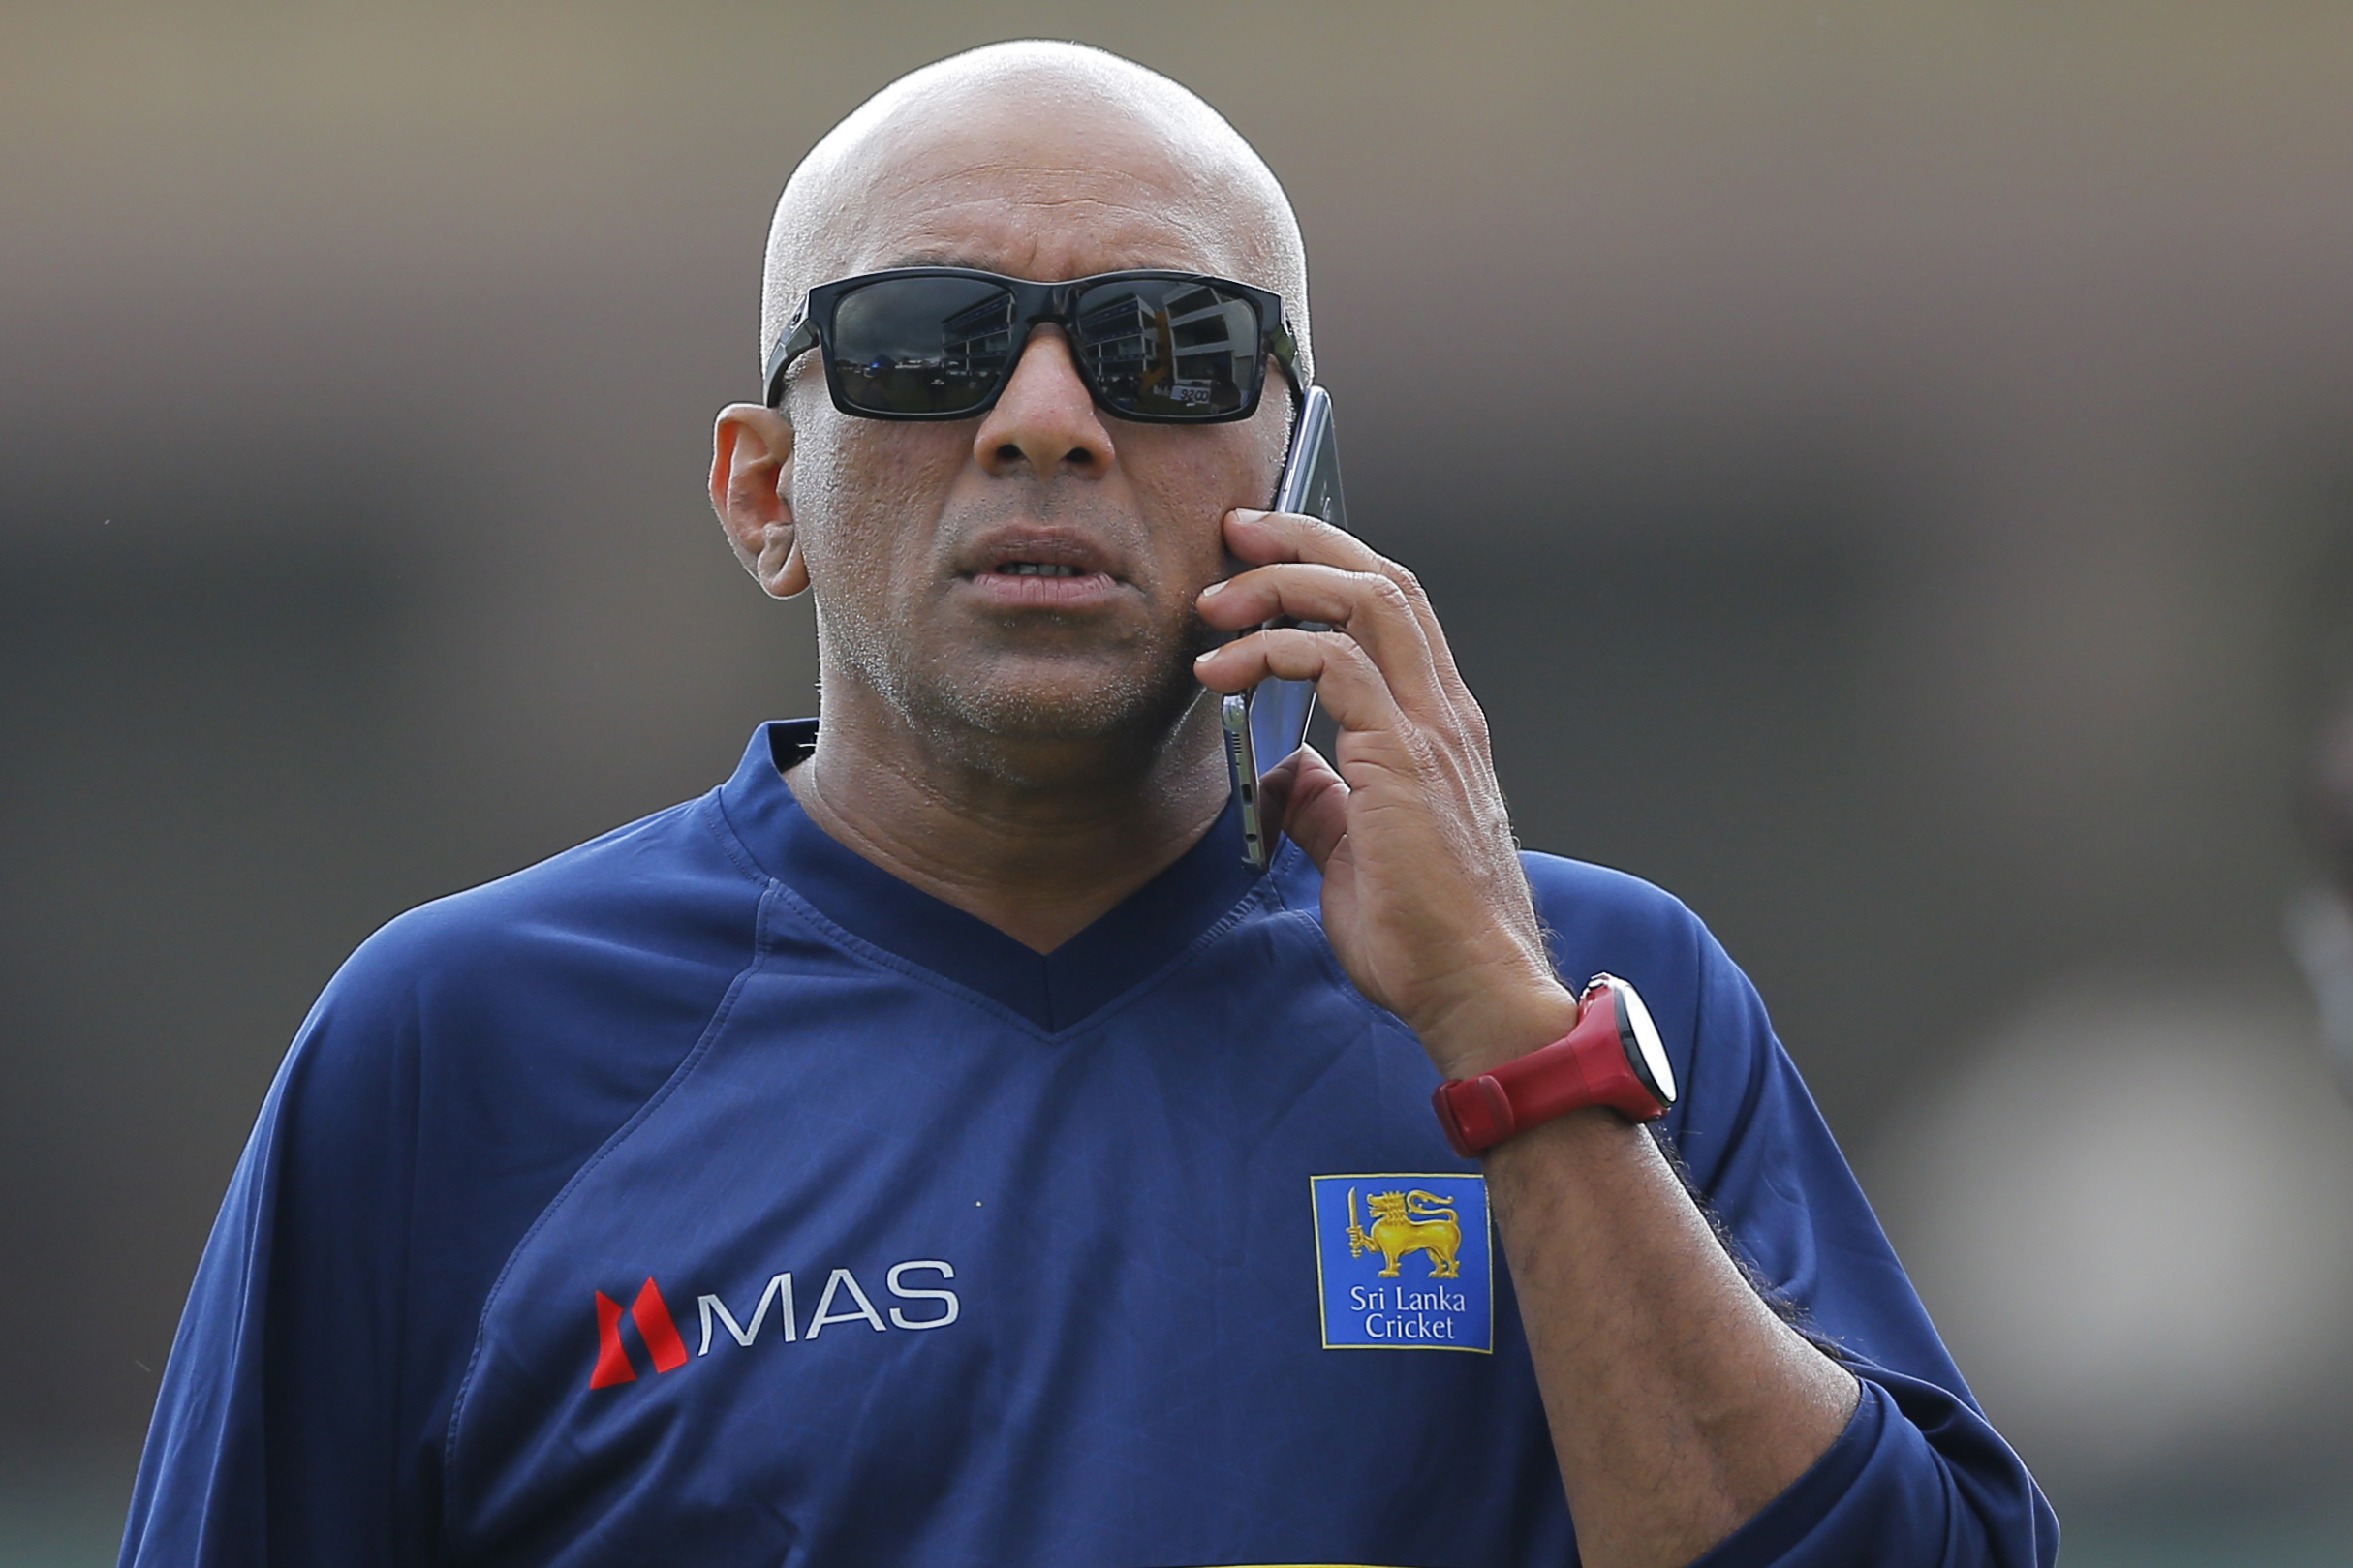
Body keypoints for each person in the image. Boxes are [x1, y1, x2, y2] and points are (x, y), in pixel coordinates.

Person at [119, 41, 2055, 1568]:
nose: (1046, 414)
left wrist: (1512, 1049)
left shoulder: (1608, 1001)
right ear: (760, 493)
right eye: (920, 344)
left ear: (1304, 463)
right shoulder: (454, 1046)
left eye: (1169, 346)